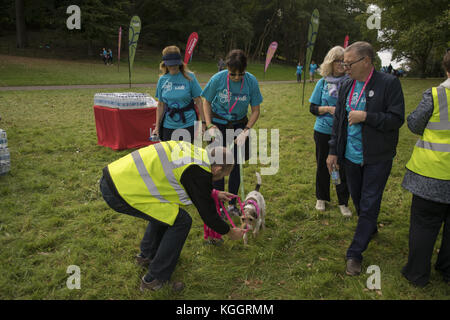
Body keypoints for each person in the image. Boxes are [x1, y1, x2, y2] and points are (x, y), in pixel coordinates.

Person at [99, 141, 245, 291]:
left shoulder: (196, 154)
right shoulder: (197, 172)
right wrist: (230, 232)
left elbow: (191, 182)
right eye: (222, 176)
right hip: (120, 192)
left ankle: (147, 255)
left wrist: (214, 193)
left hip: (115, 176)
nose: (219, 179)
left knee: (168, 213)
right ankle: (154, 280)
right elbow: (208, 215)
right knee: (181, 221)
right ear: (217, 169)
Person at [326, 41, 405, 276]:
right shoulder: (347, 85)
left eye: (349, 64)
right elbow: (339, 120)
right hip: (351, 156)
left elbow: (396, 119)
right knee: (360, 200)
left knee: (370, 202)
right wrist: (333, 150)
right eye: (343, 63)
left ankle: (355, 254)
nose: (345, 68)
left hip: (377, 157)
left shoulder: (389, 83)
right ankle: (368, 225)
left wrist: (366, 117)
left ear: (367, 61)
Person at [401, 51, 450, 288]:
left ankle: (417, 273)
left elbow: (414, 123)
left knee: (423, 225)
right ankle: (447, 268)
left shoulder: (437, 95)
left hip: (432, 175)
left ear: (445, 67)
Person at [201, 49, 263, 217]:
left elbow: (256, 110)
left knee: (235, 166)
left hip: (239, 126)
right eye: (232, 74)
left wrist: (246, 131)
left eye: (240, 74)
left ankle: (232, 204)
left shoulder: (251, 81)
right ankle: (218, 205)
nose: (236, 77)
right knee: (219, 167)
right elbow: (206, 101)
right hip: (218, 125)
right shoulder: (218, 79)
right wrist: (209, 124)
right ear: (226, 67)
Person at [309, 46, 351, 217]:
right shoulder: (322, 83)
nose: (341, 64)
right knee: (322, 165)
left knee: (341, 167)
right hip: (323, 131)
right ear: (330, 63)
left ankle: (343, 201)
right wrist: (328, 109)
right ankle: (322, 197)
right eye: (337, 61)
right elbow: (312, 108)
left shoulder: (351, 83)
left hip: (345, 132)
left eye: (344, 61)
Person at [154, 46, 205, 143]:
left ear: (180, 62)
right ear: (165, 64)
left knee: (186, 156)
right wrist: (157, 127)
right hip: (168, 124)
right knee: (168, 155)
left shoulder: (190, 77)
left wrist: (203, 123)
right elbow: (160, 105)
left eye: (175, 64)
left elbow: (199, 101)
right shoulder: (162, 80)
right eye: (170, 64)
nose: (173, 67)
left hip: (188, 123)